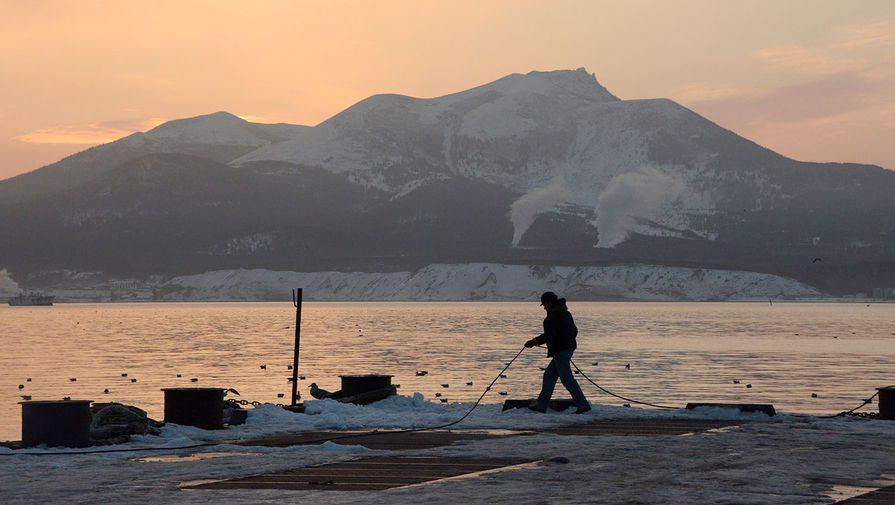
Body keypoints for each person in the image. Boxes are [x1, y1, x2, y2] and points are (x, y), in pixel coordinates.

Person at [524, 291, 591, 414]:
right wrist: (566, 342)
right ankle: (541, 406)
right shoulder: (566, 313)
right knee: (549, 376)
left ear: (549, 303)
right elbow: (574, 331)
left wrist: (533, 342)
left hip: (561, 351)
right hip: (567, 349)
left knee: (567, 379)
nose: (543, 307)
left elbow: (550, 335)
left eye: (544, 304)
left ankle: (583, 405)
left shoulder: (552, 316)